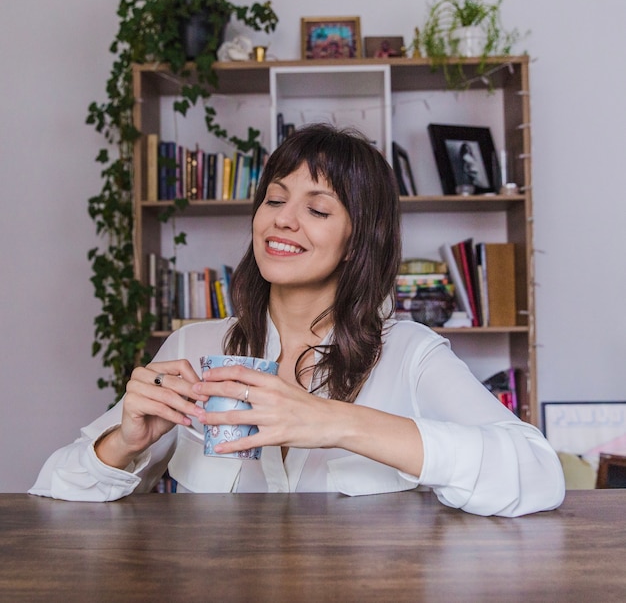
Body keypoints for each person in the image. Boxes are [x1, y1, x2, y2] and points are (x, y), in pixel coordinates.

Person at [29, 124, 565, 516]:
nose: (282, 218)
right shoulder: (192, 347)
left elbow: (538, 473)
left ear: (360, 240)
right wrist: (124, 442)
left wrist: (335, 422)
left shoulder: (409, 353)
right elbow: (53, 490)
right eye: (274, 198)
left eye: (317, 208)